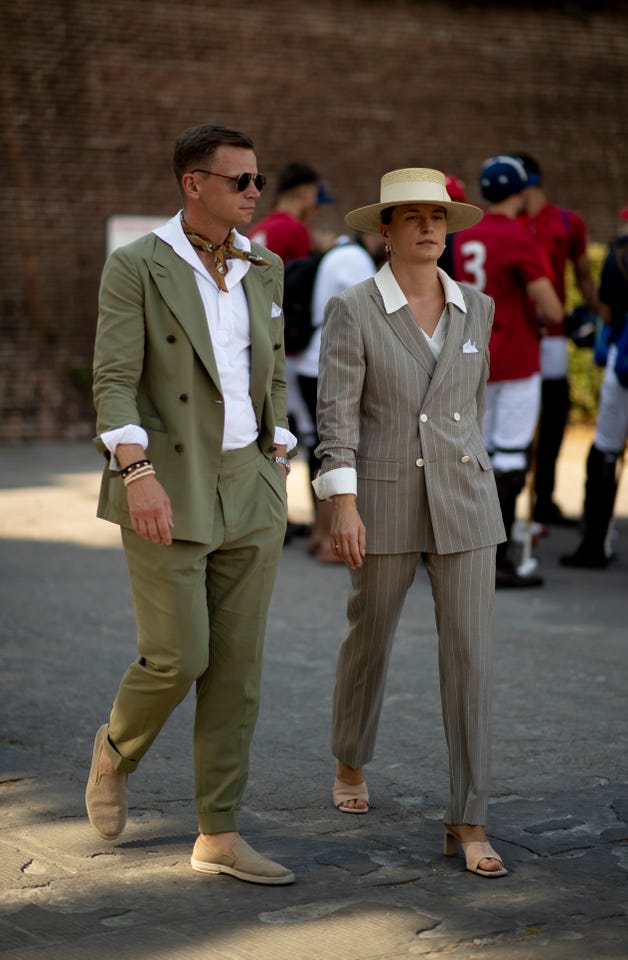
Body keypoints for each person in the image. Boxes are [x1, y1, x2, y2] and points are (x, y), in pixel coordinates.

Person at [86, 123, 296, 885]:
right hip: (165, 480)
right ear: (193, 184)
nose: (252, 193)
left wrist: (280, 450)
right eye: (239, 181)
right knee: (180, 656)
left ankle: (219, 832)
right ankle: (116, 750)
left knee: (237, 670)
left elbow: (266, 370)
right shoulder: (138, 264)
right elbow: (113, 376)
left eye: (257, 180)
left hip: (253, 483)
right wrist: (134, 469)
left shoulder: (264, 265)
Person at [314, 167, 508, 878]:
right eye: (412, 217)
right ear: (386, 230)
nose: (429, 227)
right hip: (383, 498)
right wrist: (342, 502)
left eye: (439, 216)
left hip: (466, 501)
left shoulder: (478, 307)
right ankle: (350, 756)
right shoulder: (354, 308)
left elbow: (472, 408)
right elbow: (337, 413)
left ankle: (469, 817)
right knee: (370, 636)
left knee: (471, 660)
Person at [452, 156, 564, 588]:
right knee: (511, 456)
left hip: (475, 356)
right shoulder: (517, 236)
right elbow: (552, 306)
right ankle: (496, 560)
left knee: (476, 455)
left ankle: (464, 549)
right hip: (515, 358)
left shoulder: (466, 238)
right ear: (520, 192)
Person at [514, 153, 599, 526]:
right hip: (515, 334)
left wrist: (599, 315)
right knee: (512, 421)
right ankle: (508, 500)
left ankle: (543, 497)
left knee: (552, 417)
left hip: (552, 335)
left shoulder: (566, 222)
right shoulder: (505, 222)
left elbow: (582, 275)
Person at [561, 188, 628, 568]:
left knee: (605, 452)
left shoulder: (619, 259)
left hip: (625, 369)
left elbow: (607, 316)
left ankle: (594, 544)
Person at [297, 231, 385, 561]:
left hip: (313, 360)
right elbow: (369, 316)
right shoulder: (356, 259)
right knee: (335, 451)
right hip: (328, 361)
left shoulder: (338, 251)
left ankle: (321, 536)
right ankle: (327, 539)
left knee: (322, 450)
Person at [249, 162, 335, 490]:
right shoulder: (293, 230)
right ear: (304, 192)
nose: (316, 208)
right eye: (315, 197)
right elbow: (300, 291)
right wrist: (321, 256)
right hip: (284, 341)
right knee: (296, 432)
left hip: (257, 335)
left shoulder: (262, 226)